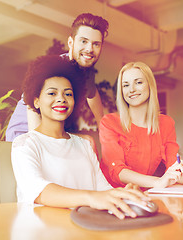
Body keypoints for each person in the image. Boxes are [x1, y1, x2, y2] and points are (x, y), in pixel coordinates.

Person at [11, 55, 151, 220]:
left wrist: (122, 193)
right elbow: (39, 190)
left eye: (68, 94)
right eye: (52, 93)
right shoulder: (24, 144)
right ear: (36, 101)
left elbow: (102, 189)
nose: (61, 99)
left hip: (86, 228)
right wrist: (90, 198)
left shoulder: (84, 144)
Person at [99, 61, 183, 189]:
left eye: (138, 82)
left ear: (150, 85)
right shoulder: (109, 122)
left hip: (144, 195)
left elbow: (173, 164)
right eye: (126, 85)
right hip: (111, 194)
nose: (132, 89)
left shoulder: (166, 124)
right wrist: (157, 182)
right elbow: (117, 170)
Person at [6, 13, 108, 141]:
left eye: (96, 44)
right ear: (71, 42)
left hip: (52, 134)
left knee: (88, 141)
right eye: (84, 41)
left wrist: (104, 127)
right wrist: (41, 145)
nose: (89, 49)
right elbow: (31, 105)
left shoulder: (86, 72)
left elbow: (92, 94)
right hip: (23, 137)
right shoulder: (52, 68)